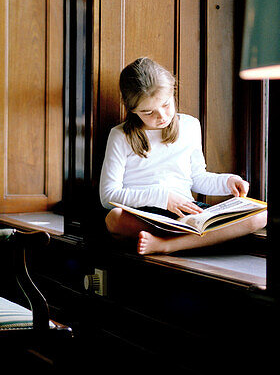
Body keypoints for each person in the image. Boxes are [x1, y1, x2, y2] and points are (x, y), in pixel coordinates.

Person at [100, 57, 267, 255]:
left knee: (261, 216)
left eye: (166, 105)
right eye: (148, 112)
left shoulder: (189, 126)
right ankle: (191, 242)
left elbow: (196, 178)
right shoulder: (120, 136)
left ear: (172, 93)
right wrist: (163, 198)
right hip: (144, 214)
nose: (161, 116)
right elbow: (108, 196)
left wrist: (227, 182)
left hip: (187, 211)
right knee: (114, 218)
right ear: (132, 109)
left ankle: (167, 245)